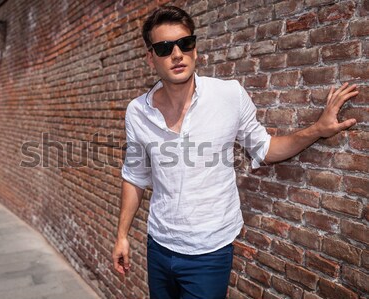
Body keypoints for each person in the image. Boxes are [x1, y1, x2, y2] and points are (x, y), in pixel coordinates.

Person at [112, 5, 358, 299]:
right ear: (151, 58)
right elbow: (135, 176)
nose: (176, 54)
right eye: (164, 48)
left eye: (185, 43)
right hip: (159, 246)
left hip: (210, 252)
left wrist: (317, 129)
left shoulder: (228, 95)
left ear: (195, 50)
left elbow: (265, 148)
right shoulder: (138, 111)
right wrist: (122, 236)